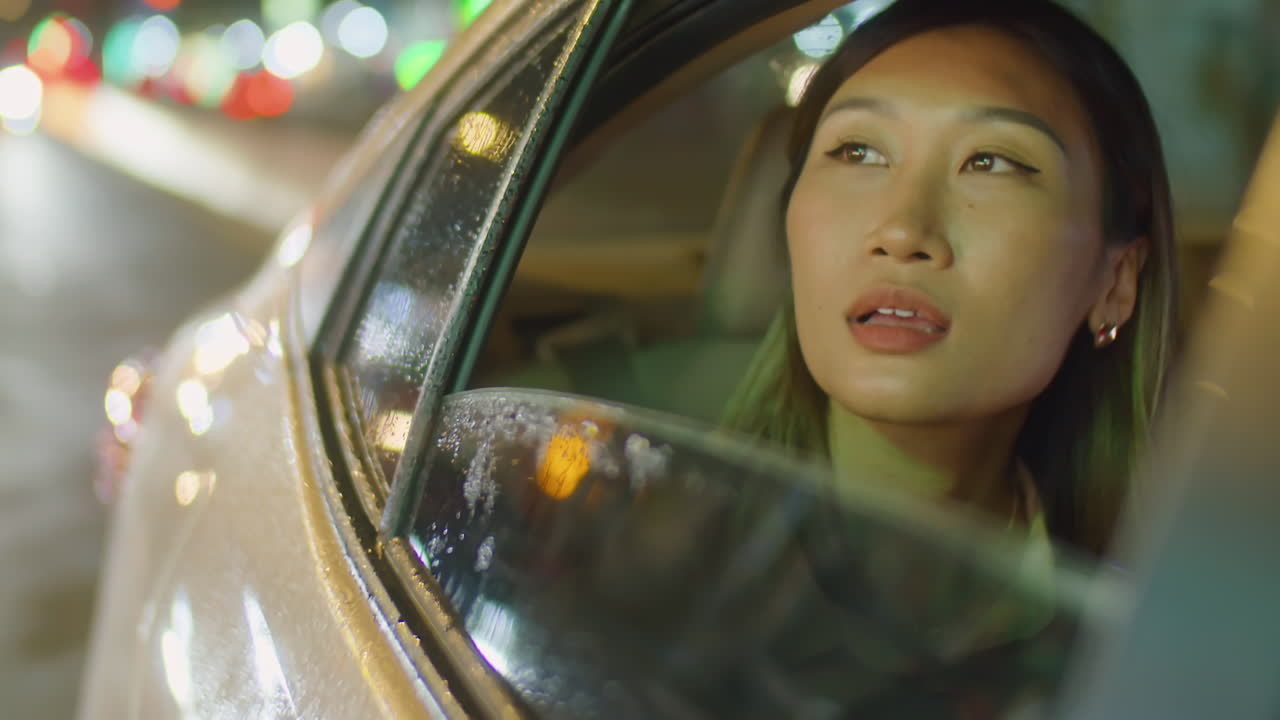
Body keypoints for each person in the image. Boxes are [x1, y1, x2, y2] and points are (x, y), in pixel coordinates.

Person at [723, 0, 1178, 559]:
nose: (902, 232)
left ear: (1115, 284)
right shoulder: (645, 549)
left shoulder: (1162, 594)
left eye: (991, 162)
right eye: (858, 152)